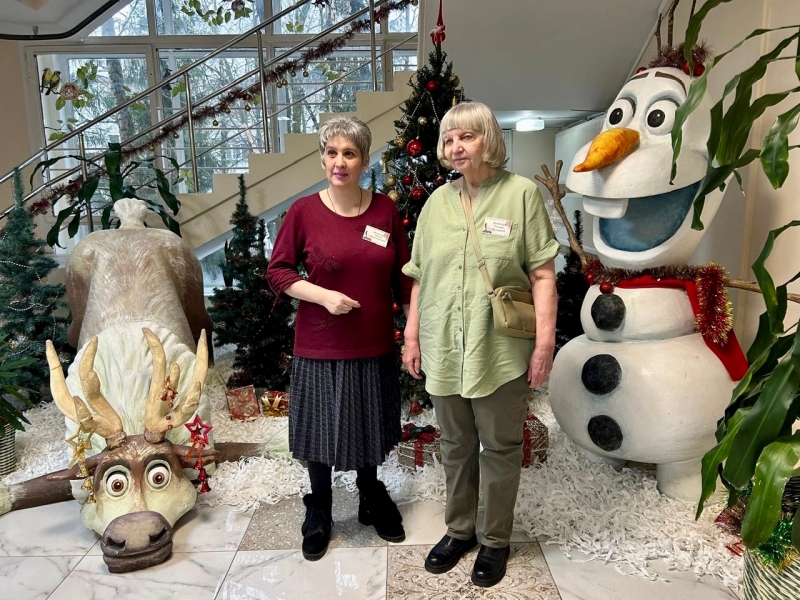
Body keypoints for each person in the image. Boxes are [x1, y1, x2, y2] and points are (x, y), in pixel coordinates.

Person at [402, 102, 559, 588]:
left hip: (500, 349)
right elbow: (420, 277)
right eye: (449, 139)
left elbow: (542, 274)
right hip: (444, 345)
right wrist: (411, 335)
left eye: (466, 137)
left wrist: (544, 345)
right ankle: (459, 530)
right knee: (454, 444)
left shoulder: (522, 194)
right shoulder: (435, 203)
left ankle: (494, 539)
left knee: (502, 447)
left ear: (488, 139)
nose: (456, 147)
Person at [267, 115, 413, 561]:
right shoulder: (303, 212)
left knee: (369, 423)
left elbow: (404, 277)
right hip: (320, 343)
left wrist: (413, 332)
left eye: (349, 154)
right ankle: (320, 505)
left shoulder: (384, 210)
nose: (339, 162)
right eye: (331, 153)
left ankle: (371, 493)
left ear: (365, 160)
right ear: (322, 158)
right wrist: (323, 296)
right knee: (319, 430)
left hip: (374, 342)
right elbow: (278, 272)